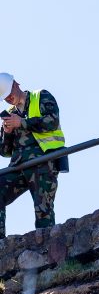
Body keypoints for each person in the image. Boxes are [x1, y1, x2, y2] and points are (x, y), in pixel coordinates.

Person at [0, 73, 66, 239]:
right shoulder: (9, 114)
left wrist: (21, 123)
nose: (8, 98)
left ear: (16, 83)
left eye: (9, 93)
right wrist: (7, 133)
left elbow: (52, 121)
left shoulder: (40, 96)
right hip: (19, 165)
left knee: (43, 209)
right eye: (5, 97)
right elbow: (5, 151)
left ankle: (47, 248)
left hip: (43, 161)